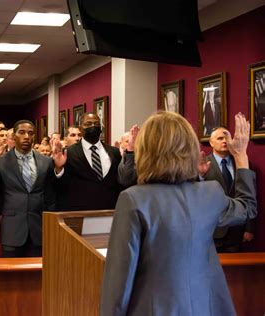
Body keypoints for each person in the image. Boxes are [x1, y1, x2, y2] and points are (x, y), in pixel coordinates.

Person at [100, 112, 257, 316]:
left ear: (146, 150)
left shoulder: (133, 199)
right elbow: (247, 208)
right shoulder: (210, 192)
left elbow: (118, 283)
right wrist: (241, 155)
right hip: (206, 308)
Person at [0, 120, 56, 257]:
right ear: (13, 136)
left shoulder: (46, 161)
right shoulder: (1, 162)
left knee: (38, 275)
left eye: (30, 133)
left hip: (39, 229)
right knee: (12, 277)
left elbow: (51, 196)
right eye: (22, 132)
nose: (26, 136)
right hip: (12, 231)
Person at [52, 113, 135, 211]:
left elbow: (121, 182)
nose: (93, 126)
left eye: (96, 123)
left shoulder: (114, 152)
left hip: (110, 212)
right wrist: (59, 168)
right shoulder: (68, 153)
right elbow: (60, 187)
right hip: (80, 213)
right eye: (88, 124)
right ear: (80, 128)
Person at [201, 127, 255, 252]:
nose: (224, 141)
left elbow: (250, 195)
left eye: (227, 138)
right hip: (212, 231)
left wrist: (249, 228)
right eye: (220, 138)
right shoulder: (202, 164)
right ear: (211, 142)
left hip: (237, 230)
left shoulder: (242, 163)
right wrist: (200, 175)